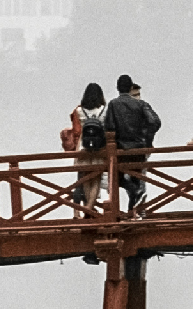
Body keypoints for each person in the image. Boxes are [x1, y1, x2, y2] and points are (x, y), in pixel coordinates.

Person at [108, 76, 163, 210]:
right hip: (139, 148)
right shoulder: (141, 104)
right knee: (137, 179)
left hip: (121, 149)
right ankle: (135, 209)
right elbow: (154, 122)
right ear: (130, 87)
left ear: (117, 88)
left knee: (116, 178)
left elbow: (109, 126)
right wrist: (146, 139)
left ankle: (134, 201)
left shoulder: (113, 104)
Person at [68, 82, 110, 209]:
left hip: (83, 146)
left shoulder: (79, 110)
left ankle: (87, 208)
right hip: (100, 146)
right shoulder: (104, 109)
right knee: (96, 178)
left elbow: (76, 131)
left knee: (86, 178)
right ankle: (89, 207)